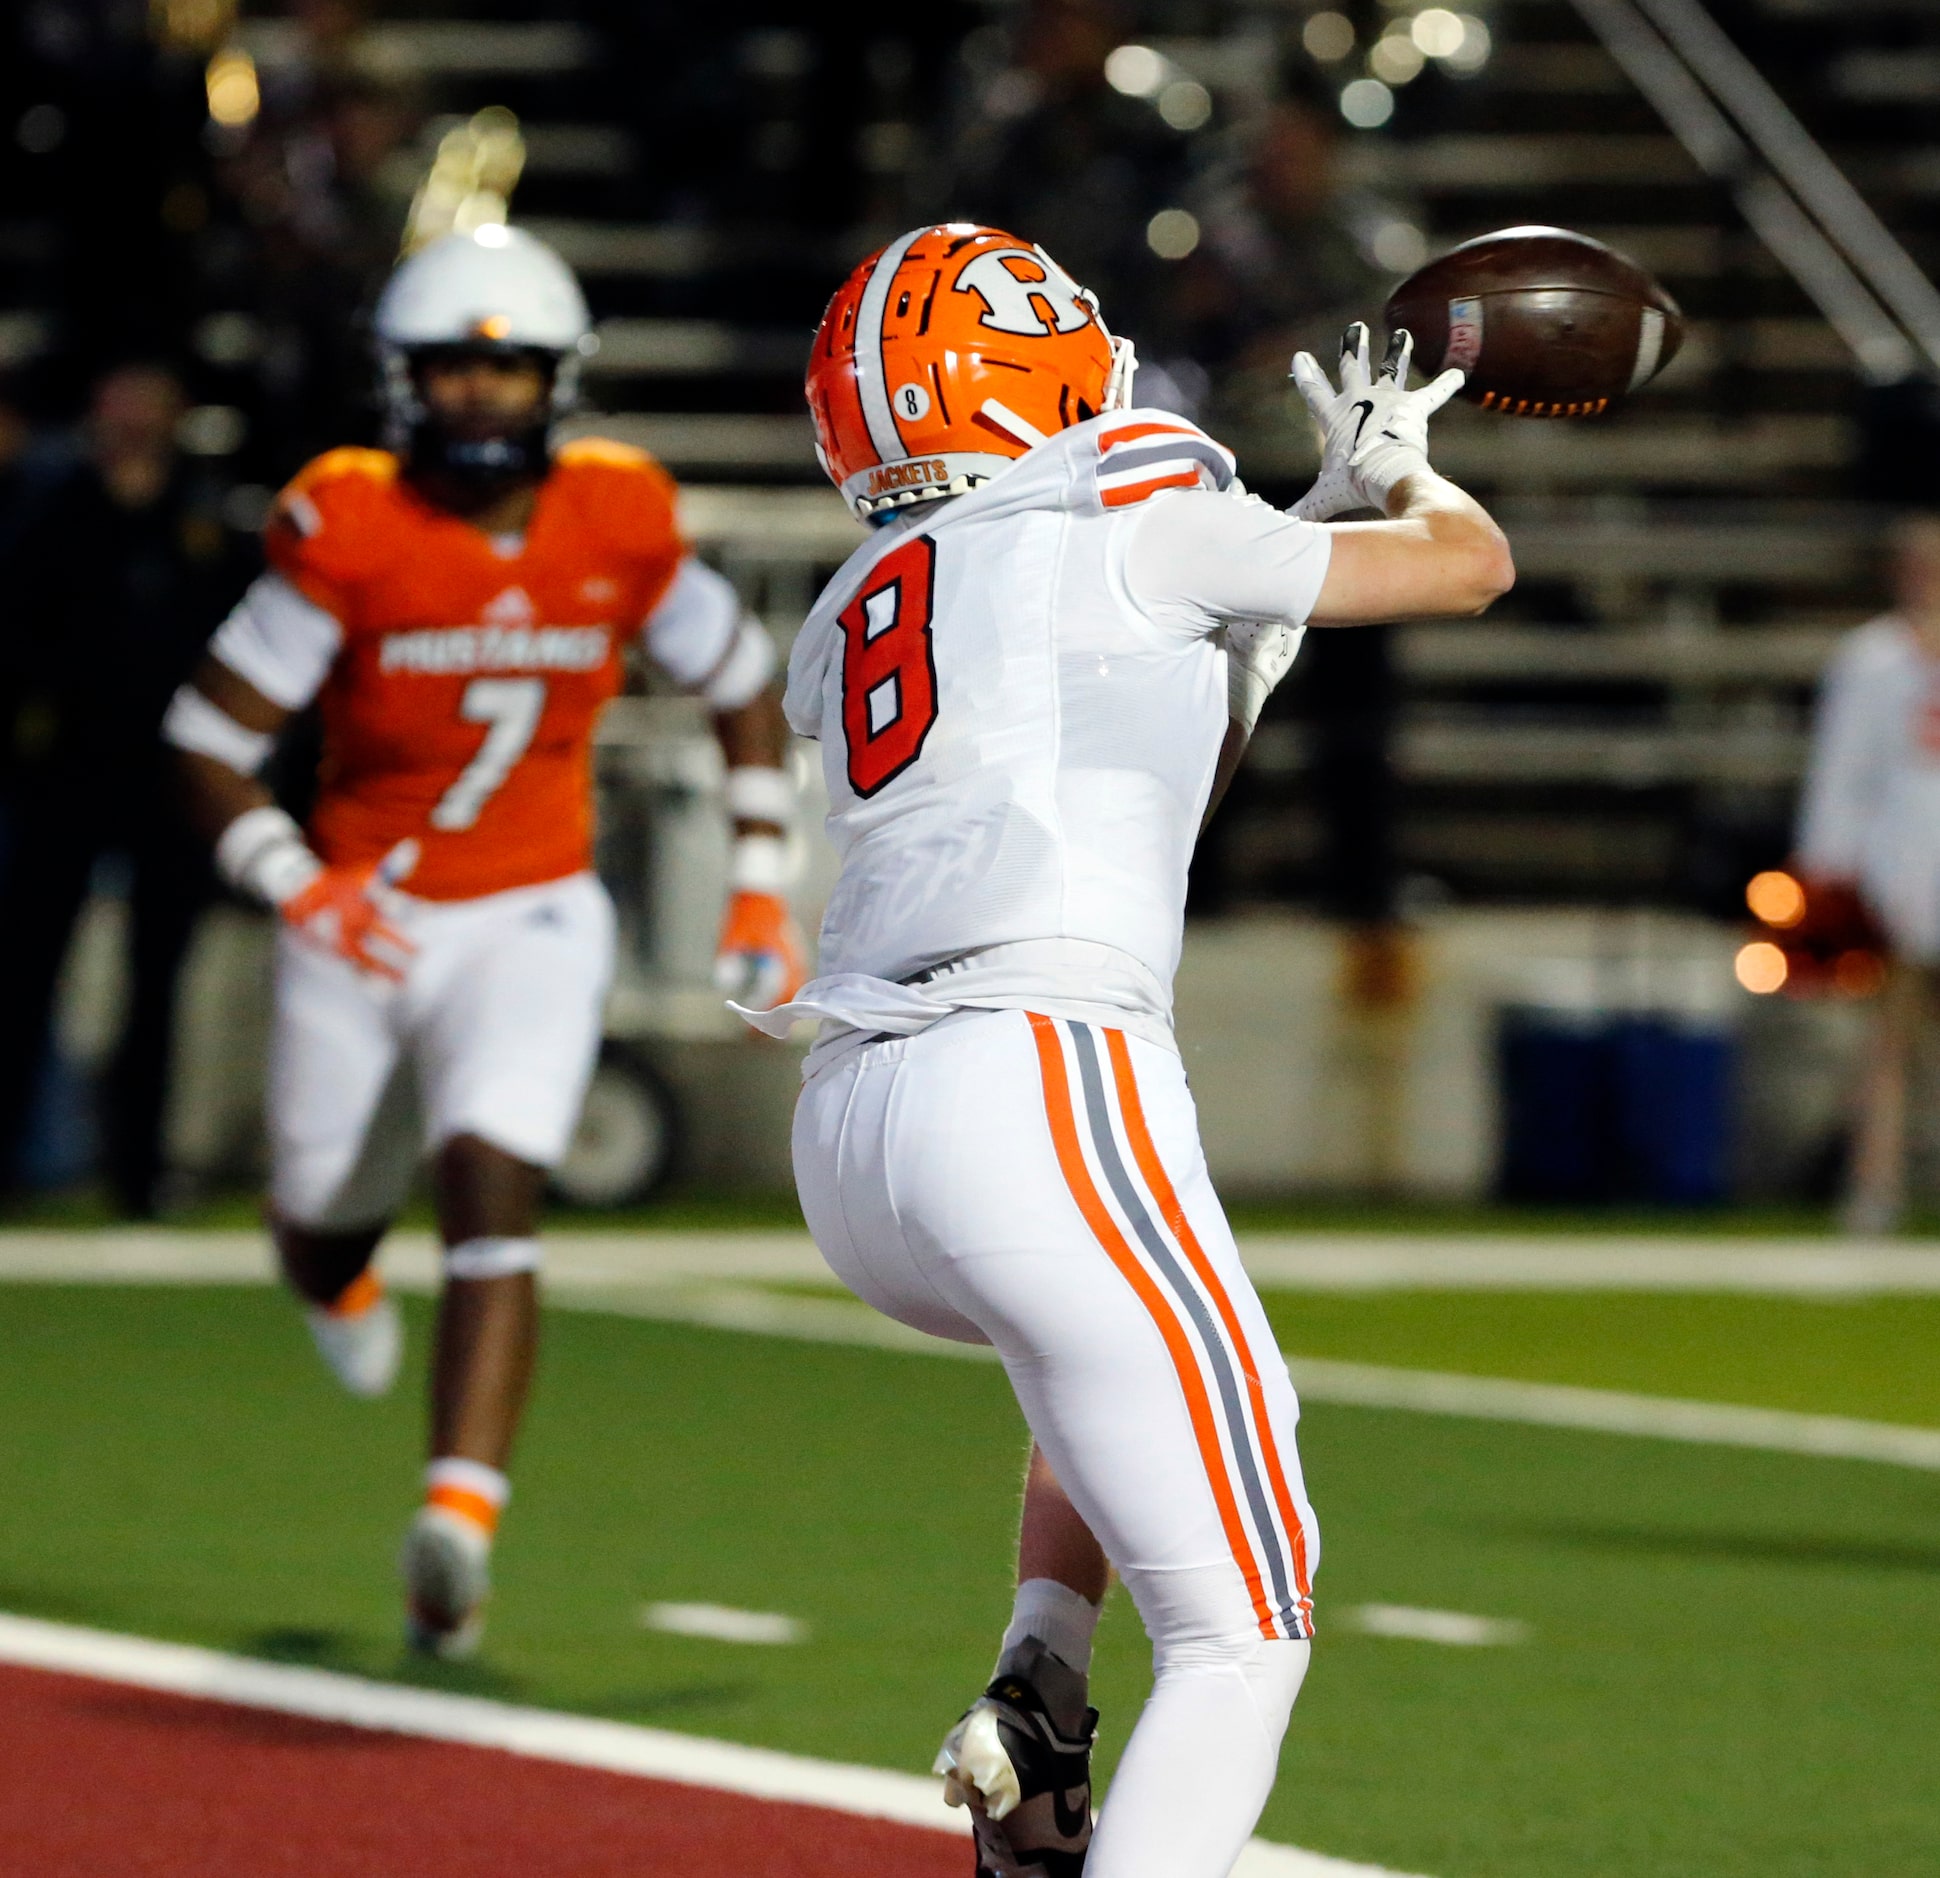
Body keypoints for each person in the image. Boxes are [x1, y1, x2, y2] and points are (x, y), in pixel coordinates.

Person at [741, 225, 1510, 1878]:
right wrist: (1402, 481)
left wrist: (1276, 570)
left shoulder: (878, 589)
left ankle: (1044, 1684)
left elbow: (1142, 780)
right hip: (1029, 1067)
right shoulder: (1124, 493)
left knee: (1092, 1356)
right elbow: (1469, 569)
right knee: (1249, 1620)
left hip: (859, 1121)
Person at [164, 225, 804, 1655]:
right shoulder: (353, 523)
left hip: (530, 906)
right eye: (452, 369)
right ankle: (333, 1268)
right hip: (363, 913)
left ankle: (457, 1515)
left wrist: (762, 875)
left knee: (490, 1175)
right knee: (322, 1207)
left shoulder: (618, 515)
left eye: (505, 370)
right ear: (402, 382)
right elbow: (208, 735)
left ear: (555, 381)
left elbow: (742, 677)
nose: (477, 398)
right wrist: (291, 877)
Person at [0, 362, 254, 1215]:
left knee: (159, 982)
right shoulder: (57, 506)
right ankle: (12, 1164)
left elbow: (234, 648)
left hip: (168, 782)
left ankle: (139, 1170)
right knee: (28, 971)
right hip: (67, 775)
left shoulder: (202, 512)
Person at [1794, 509, 1940, 1234]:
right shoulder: (1872, 658)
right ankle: (1874, 1187)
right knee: (1887, 1043)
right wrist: (1828, 879)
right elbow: (1840, 773)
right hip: (1899, 871)